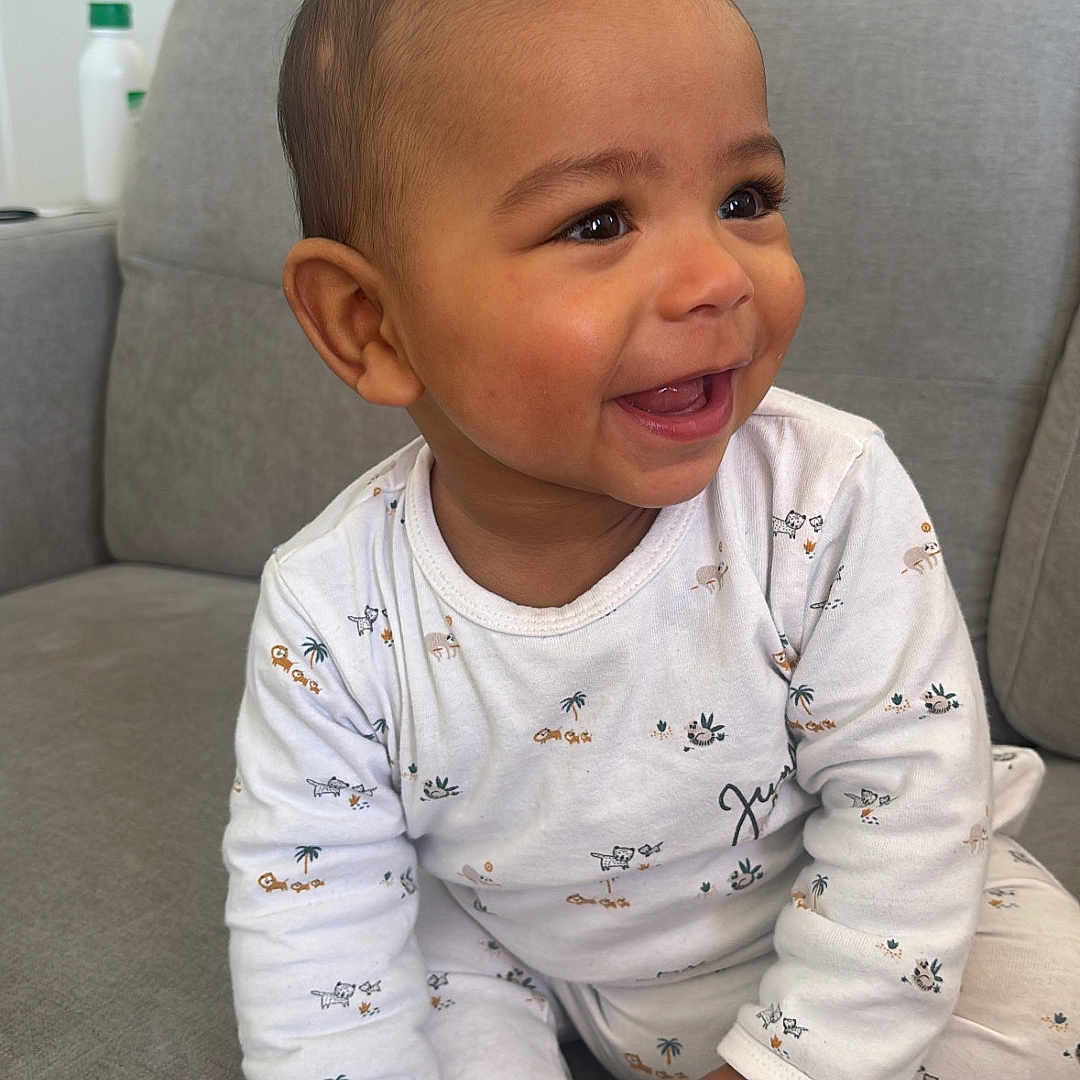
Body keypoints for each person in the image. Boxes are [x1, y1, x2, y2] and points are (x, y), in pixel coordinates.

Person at [222, 1, 1080, 1077]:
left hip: (844, 904)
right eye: (598, 222)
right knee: (413, 972)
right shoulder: (329, 611)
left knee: (1043, 1010)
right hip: (522, 947)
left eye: (744, 199)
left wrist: (786, 1061)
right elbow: (314, 923)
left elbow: (909, 806)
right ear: (371, 323)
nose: (718, 276)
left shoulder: (825, 494)